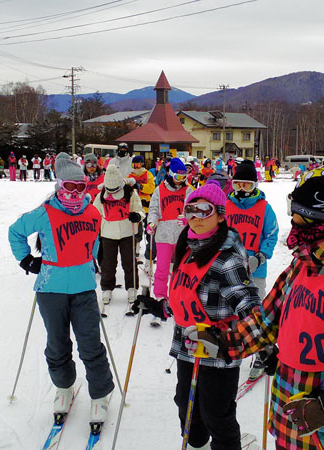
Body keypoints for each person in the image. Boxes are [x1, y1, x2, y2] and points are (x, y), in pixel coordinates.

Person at [184, 165, 324, 450]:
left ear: (319, 218)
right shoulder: (302, 264)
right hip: (291, 428)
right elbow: (266, 320)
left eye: (298, 214)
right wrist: (224, 341)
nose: (293, 222)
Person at [132, 180, 262, 450]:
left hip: (218, 346)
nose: (195, 217)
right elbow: (186, 297)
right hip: (187, 344)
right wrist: (159, 307)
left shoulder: (227, 257)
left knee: (216, 411)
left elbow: (247, 301)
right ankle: (197, 442)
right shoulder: (188, 247)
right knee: (186, 405)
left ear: (220, 214)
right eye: (190, 209)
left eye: (204, 210)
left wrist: (261, 339)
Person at [7, 155, 114, 426]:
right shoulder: (45, 212)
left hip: (83, 289)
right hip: (50, 288)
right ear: (58, 185)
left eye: (81, 186)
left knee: (90, 344)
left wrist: (93, 263)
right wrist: (27, 260)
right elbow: (15, 231)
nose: (75, 192)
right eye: (70, 186)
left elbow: (94, 242)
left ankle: (100, 394)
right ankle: (64, 387)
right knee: (57, 344)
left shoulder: (93, 212)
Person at [225, 160, 280, 380]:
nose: (241, 189)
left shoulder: (264, 208)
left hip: (255, 269)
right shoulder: (227, 205)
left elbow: (272, 234)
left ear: (254, 185)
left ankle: (262, 352)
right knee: (229, 309)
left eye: (246, 185)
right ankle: (231, 346)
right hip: (229, 267)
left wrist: (261, 255)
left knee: (256, 312)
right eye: (237, 184)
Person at [146, 158, 194, 327]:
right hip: (164, 235)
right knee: (162, 269)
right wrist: (151, 223)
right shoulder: (159, 191)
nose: (181, 180)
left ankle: (180, 299)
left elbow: (193, 210)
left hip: (182, 236)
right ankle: (160, 300)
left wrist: (187, 220)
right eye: (178, 177)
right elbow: (153, 210)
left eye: (183, 177)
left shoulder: (188, 190)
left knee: (182, 269)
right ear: (170, 174)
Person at [93, 164, 145, 314]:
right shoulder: (101, 195)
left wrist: (138, 216)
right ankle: (107, 288)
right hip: (108, 233)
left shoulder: (130, 192)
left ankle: (132, 287)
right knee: (108, 263)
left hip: (127, 232)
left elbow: (140, 210)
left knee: (129, 261)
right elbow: (95, 212)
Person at [128, 155, 156, 258]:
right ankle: (136, 247)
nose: (137, 166)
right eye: (135, 164)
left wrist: (141, 187)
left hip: (146, 205)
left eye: (139, 163)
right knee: (137, 230)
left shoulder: (148, 174)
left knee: (149, 229)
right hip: (135, 207)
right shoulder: (130, 176)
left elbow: (152, 188)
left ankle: (150, 251)